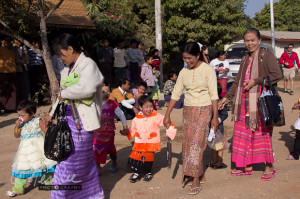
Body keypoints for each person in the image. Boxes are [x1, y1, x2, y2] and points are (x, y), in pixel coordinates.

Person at [218, 28, 282, 181]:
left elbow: (277, 75)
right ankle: (247, 164)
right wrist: (226, 97)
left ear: (259, 40)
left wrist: (256, 81)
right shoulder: (245, 58)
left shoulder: (266, 56)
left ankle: (268, 166)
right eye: (247, 40)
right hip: (243, 103)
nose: (250, 43)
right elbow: (238, 81)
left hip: (261, 103)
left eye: (253, 40)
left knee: (263, 134)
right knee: (244, 134)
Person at [49, 33, 104, 198]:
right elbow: (61, 96)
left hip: (82, 124)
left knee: (69, 164)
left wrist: (65, 94)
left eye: (61, 54)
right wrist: (51, 115)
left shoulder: (89, 65)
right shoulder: (67, 69)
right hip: (68, 123)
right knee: (80, 165)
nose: (60, 58)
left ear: (71, 49)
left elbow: (87, 89)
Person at [163, 42, 219, 195]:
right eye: (184, 58)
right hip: (188, 111)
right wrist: (167, 113)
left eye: (190, 58)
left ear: (198, 55)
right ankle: (199, 173)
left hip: (204, 109)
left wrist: (215, 117)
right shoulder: (183, 72)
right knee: (188, 144)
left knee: (197, 143)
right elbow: (176, 94)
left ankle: (195, 179)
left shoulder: (208, 70)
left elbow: (214, 95)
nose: (187, 61)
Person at [6, 100, 57, 197]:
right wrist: (17, 126)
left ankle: (49, 183)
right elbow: (16, 135)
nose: (20, 118)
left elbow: (46, 131)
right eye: (19, 115)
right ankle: (18, 188)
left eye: (23, 115)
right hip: (24, 151)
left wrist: (50, 137)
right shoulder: (21, 124)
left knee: (45, 164)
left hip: (38, 148)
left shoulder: (38, 121)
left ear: (32, 113)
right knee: (22, 168)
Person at [124, 95, 176, 183]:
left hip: (151, 142)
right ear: (140, 107)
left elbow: (166, 121)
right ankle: (136, 173)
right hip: (139, 142)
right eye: (146, 107)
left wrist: (169, 126)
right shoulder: (136, 119)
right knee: (135, 157)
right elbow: (132, 129)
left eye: (151, 106)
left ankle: (148, 173)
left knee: (148, 159)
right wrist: (126, 132)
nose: (149, 109)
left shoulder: (156, 116)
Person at [93, 86, 128, 173]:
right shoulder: (95, 104)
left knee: (110, 148)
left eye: (108, 91)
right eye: (103, 91)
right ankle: (98, 167)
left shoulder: (112, 103)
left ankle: (114, 163)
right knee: (96, 148)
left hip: (109, 132)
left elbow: (121, 114)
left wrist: (125, 127)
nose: (106, 93)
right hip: (97, 132)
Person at [207, 83, 228, 169]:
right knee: (212, 146)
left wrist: (218, 121)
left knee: (219, 145)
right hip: (210, 129)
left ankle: (220, 162)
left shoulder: (220, 103)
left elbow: (225, 114)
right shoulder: (208, 103)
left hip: (218, 128)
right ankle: (214, 160)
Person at [0, 36, 17, 111]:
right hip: (3, 72)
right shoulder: (0, 49)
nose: (7, 42)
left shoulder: (11, 50)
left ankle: (10, 108)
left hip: (12, 72)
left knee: (12, 91)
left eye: (9, 41)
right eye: (5, 41)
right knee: (2, 91)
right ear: (2, 41)